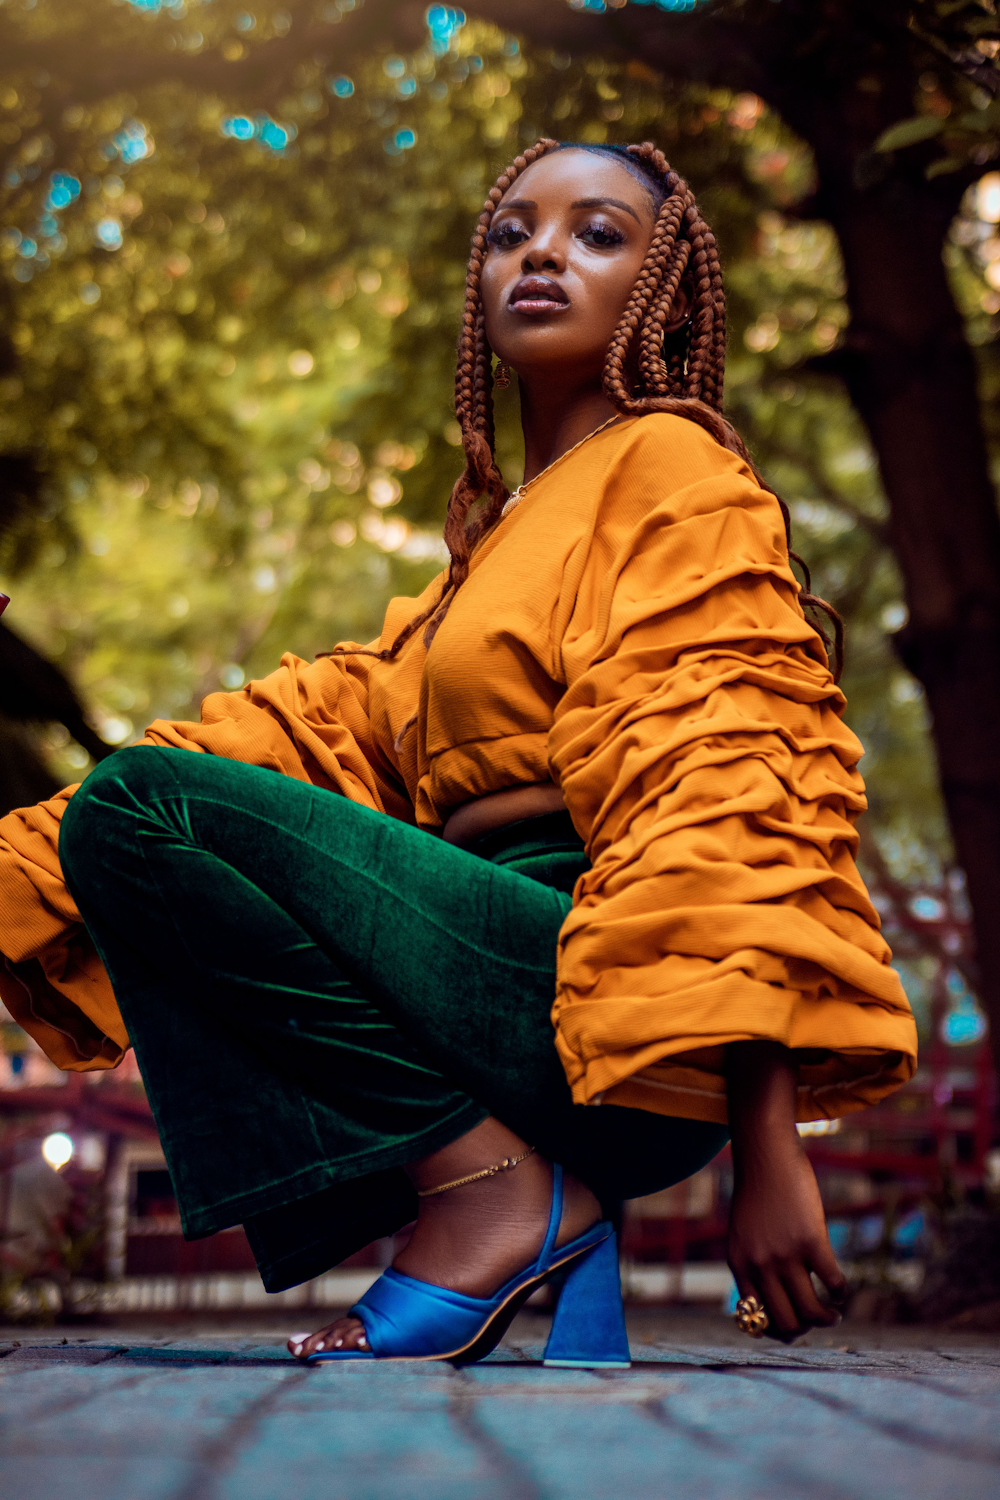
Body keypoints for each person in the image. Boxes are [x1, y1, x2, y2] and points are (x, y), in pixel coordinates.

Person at [0, 140, 917, 1364]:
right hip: (499, 996)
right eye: (512, 233)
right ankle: (511, 1191)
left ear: (669, 294)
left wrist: (770, 1144)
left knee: (140, 809)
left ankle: (494, 1193)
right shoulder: (480, 571)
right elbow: (291, 747)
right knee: (138, 826)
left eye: (597, 233)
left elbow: (731, 785)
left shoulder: (674, 468)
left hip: (603, 997)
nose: (542, 252)